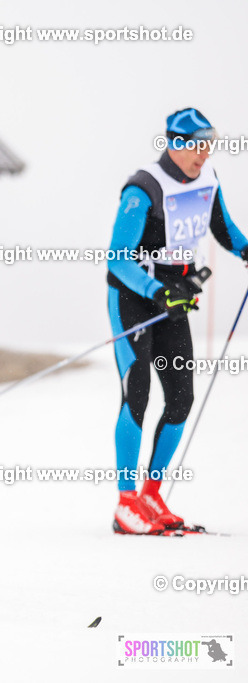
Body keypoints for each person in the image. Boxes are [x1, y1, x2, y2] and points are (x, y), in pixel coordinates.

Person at [106, 107, 248, 535]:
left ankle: (151, 494)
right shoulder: (143, 188)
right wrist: (155, 292)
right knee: (138, 394)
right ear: (175, 142)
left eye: (209, 147)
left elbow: (223, 228)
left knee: (181, 397)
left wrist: (245, 249)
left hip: (175, 297)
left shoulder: (208, 180)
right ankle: (126, 502)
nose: (203, 156)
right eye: (197, 147)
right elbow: (117, 257)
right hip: (134, 297)